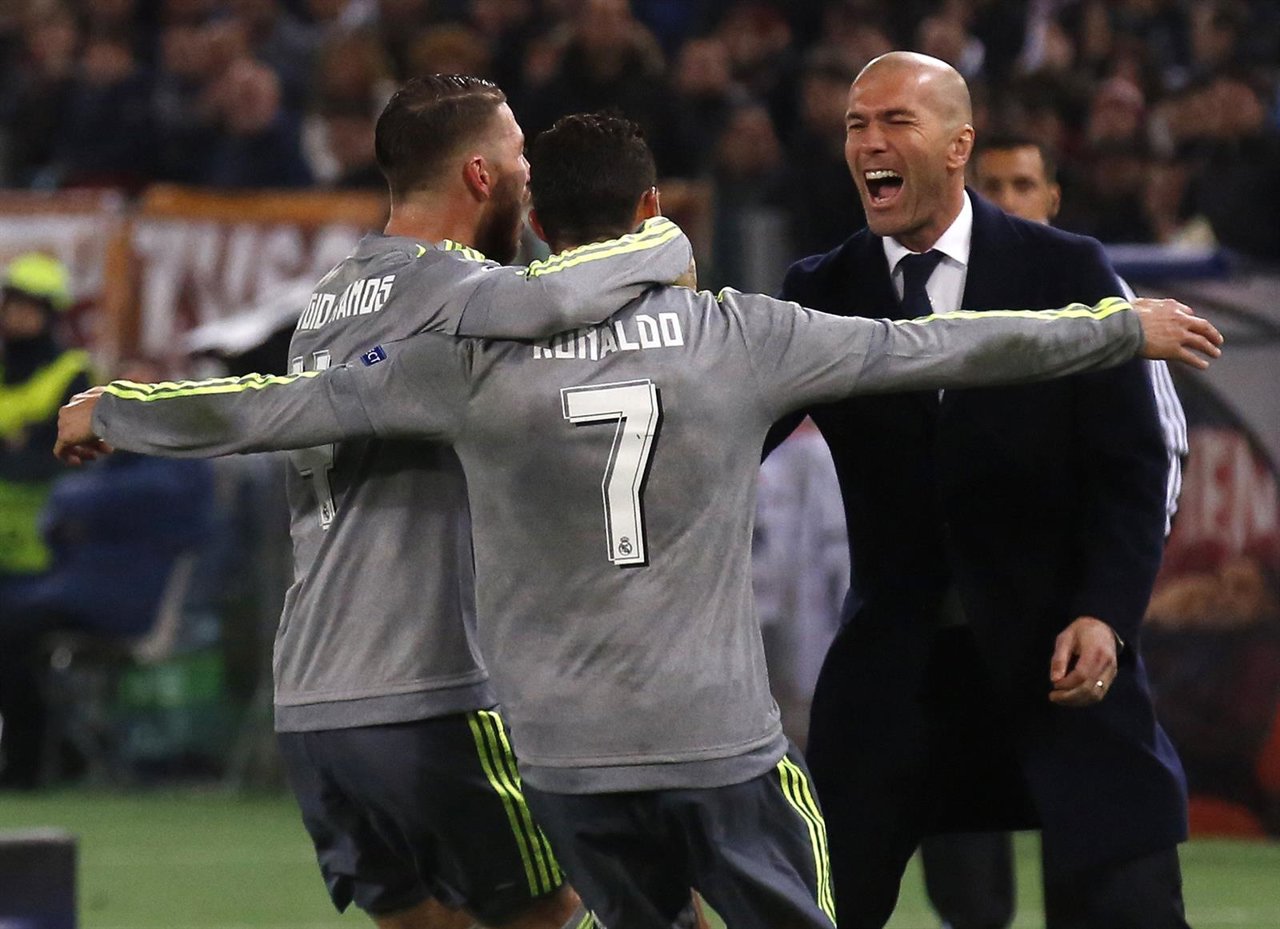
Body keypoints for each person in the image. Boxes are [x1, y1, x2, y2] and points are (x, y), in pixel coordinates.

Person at [56, 113, 1221, 929]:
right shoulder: (739, 334)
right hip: (716, 740)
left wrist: (124, 408)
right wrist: (1117, 328)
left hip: (562, 752)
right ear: (653, 209)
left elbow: (273, 405)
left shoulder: (462, 361)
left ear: (536, 223)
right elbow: (952, 343)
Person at [68, 75, 692, 929]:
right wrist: (659, 240)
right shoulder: (457, 292)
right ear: (479, 176)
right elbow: (559, 297)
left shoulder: (332, 300)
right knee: (566, 906)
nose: (529, 178)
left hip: (317, 709)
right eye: (517, 156)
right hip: (427, 690)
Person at [773, 52, 1194, 929]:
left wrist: (1106, 612)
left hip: (1058, 655)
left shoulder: (1069, 273)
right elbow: (733, 435)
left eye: (895, 121)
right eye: (856, 124)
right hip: (898, 669)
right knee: (807, 908)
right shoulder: (821, 290)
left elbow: (1133, 468)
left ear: (959, 143)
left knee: (1132, 903)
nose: (869, 142)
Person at [908, 133, 1194, 929]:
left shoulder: (1100, 294)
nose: (1007, 199)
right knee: (968, 888)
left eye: (1024, 182)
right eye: (992, 183)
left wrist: (1108, 596)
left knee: (1105, 862)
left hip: (1065, 612)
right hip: (955, 627)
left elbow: (1155, 458)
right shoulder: (932, 296)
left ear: (1054, 196)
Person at [0, 251, 92, 789]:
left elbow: (49, 461)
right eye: (11, 302)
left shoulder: (74, 373)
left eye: (28, 305)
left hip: (50, 551)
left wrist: (23, 450)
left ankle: (29, 766)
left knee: (15, 654)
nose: (16, 314)